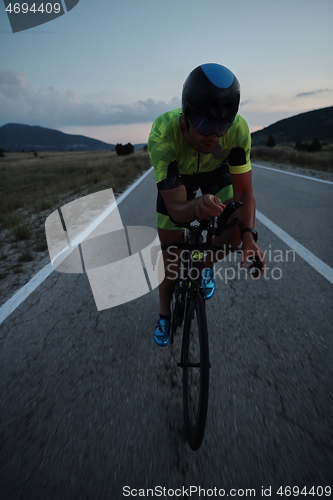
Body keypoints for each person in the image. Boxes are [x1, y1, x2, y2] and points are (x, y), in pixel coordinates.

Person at [148, 63, 266, 347]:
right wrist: (195, 206)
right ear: (186, 116)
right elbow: (177, 209)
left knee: (236, 229)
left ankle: (202, 266)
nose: (213, 136)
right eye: (203, 125)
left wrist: (249, 237)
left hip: (215, 171)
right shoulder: (163, 133)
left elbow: (244, 191)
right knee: (171, 255)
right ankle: (165, 314)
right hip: (178, 177)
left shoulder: (237, 131)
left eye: (221, 126)